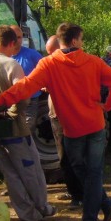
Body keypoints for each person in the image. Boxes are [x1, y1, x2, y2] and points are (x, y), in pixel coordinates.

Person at [0, 22, 111, 221]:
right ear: (74, 40)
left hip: (71, 128)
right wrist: (108, 105)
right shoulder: (93, 61)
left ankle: (93, 215)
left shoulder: (49, 64)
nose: (82, 43)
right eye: (81, 39)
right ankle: (103, 206)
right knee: (93, 172)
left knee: (81, 169)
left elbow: (25, 87)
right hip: (95, 124)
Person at [0, 25, 56, 221]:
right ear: (11, 43)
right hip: (15, 127)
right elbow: (24, 93)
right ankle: (42, 208)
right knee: (30, 170)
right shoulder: (10, 64)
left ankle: (27, 214)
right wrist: (12, 114)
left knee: (10, 173)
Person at [45, 35, 83, 209]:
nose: (51, 56)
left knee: (70, 157)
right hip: (60, 113)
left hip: (65, 114)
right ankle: (77, 192)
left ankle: (79, 196)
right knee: (67, 157)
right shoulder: (53, 63)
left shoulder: (61, 64)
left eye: (52, 52)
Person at [11, 24, 43, 130]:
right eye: (14, 37)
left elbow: (46, 71)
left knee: (26, 128)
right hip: (10, 100)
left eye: (20, 37)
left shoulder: (32, 55)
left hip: (30, 100)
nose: (18, 40)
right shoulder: (3, 56)